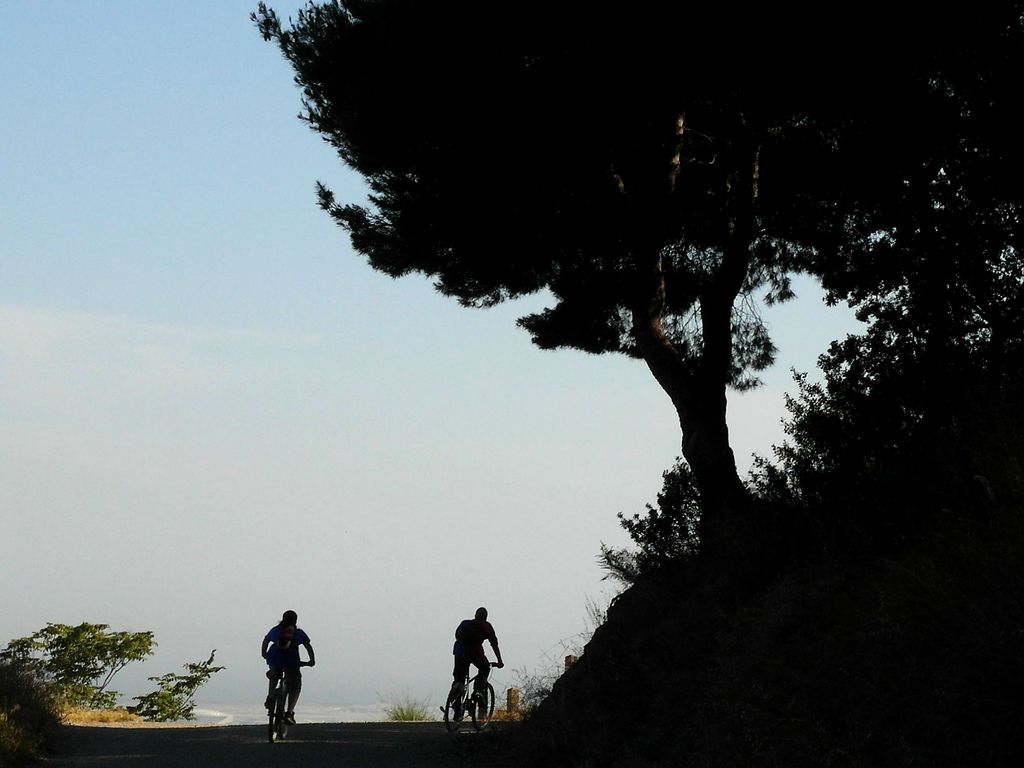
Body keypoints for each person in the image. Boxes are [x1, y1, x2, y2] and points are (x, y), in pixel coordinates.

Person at [261, 610, 315, 724]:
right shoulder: (298, 633)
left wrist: (264, 653)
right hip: (291, 662)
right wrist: (311, 660)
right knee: (295, 685)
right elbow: (308, 646)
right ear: (295, 620)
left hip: (274, 659)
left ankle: (271, 697)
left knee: (274, 675)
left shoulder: (276, 630)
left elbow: (266, 640)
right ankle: (289, 713)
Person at [450, 607, 503, 718]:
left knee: (459, 678)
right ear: (485, 617)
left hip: (460, 651)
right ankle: (477, 691)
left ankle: (456, 706)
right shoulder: (487, 626)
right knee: (485, 668)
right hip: (474, 651)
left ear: (475, 615)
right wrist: (499, 660)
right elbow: (494, 644)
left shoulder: (465, 623)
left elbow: (456, 635)